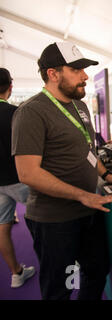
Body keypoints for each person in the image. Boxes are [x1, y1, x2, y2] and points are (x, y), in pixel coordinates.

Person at [11, 42, 112, 300]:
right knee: (59, 288)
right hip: (54, 220)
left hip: (89, 210)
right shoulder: (31, 112)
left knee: (97, 271)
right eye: (77, 69)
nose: (85, 76)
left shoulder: (80, 106)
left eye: (84, 69)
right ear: (53, 74)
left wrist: (106, 175)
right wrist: (83, 195)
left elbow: (86, 150)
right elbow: (28, 174)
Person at [0, 68, 35, 288]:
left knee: (2, 227)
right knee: (42, 221)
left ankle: (16, 274)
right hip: (19, 177)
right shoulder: (15, 113)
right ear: (10, 87)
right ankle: (58, 262)